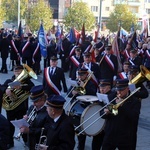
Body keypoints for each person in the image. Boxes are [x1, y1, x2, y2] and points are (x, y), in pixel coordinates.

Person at [102, 79, 141, 150]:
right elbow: (101, 114)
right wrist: (105, 112)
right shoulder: (111, 97)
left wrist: (122, 105)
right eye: (117, 89)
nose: (119, 92)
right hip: (110, 134)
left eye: (121, 90)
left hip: (125, 136)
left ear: (127, 89)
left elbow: (134, 117)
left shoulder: (135, 101)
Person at [2, 65, 34, 149]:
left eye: (20, 72)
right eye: (16, 72)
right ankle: (10, 142)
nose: (18, 73)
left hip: (22, 108)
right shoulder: (9, 81)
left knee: (23, 125)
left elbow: (33, 87)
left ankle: (26, 141)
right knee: (10, 125)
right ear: (14, 72)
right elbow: (2, 88)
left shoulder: (26, 82)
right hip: (11, 109)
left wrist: (22, 87)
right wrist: (6, 89)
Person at [68, 68, 97, 150]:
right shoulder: (76, 83)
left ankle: (81, 147)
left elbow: (93, 93)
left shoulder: (90, 83)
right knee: (70, 130)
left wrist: (84, 88)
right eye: (79, 75)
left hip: (83, 109)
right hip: (74, 108)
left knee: (81, 133)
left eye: (82, 75)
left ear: (86, 75)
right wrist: (72, 92)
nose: (80, 77)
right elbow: (68, 93)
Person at [20, 85, 50, 150]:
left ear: (42, 99)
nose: (33, 104)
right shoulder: (32, 107)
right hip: (30, 141)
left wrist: (29, 131)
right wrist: (25, 121)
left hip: (40, 143)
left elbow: (46, 130)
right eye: (33, 101)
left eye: (36, 101)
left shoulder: (48, 112)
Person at [128, 65, 149, 150]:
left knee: (132, 132)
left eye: (134, 73)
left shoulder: (139, 83)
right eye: (131, 73)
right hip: (124, 108)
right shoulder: (123, 80)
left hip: (134, 109)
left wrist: (134, 93)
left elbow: (145, 94)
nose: (132, 75)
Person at [92, 79, 116, 150]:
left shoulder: (113, 95)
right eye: (100, 88)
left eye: (104, 88)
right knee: (96, 144)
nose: (101, 90)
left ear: (109, 87)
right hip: (99, 124)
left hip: (108, 125)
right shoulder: (99, 95)